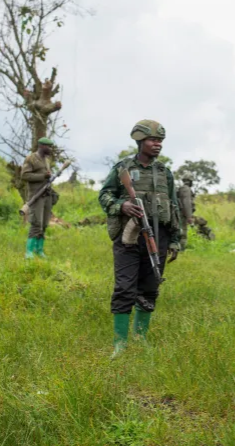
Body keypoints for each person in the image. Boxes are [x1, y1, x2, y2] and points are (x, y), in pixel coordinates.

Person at [99, 120, 180, 357]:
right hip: (129, 237)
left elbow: (173, 206)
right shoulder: (122, 168)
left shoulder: (164, 173)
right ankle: (120, 344)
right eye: (153, 140)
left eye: (160, 141)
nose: (158, 145)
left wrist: (175, 239)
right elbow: (104, 195)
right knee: (125, 287)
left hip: (159, 236)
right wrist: (121, 205)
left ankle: (140, 338)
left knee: (151, 286)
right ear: (139, 141)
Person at [21, 138, 55, 259]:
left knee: (44, 224)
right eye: (49, 147)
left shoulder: (46, 160)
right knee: (36, 223)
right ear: (42, 146)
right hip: (36, 196)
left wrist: (48, 176)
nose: (51, 149)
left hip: (46, 195)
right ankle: (28, 252)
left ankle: (39, 250)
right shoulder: (31, 158)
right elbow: (24, 175)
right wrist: (42, 176)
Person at [177, 173, 195, 250]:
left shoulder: (181, 189)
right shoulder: (186, 189)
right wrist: (189, 217)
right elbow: (187, 203)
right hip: (182, 215)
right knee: (183, 233)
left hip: (178, 213)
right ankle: (181, 250)